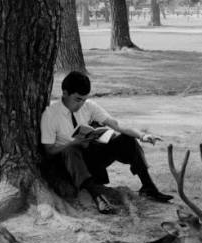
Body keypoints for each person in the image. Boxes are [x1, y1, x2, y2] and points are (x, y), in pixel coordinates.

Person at [41, 71, 173, 214]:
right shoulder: (50, 114)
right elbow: (49, 150)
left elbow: (116, 125)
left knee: (126, 139)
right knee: (71, 151)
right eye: (77, 99)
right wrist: (73, 143)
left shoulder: (88, 106)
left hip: (92, 158)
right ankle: (98, 197)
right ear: (65, 93)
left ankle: (148, 187)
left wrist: (142, 135)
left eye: (84, 100)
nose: (81, 104)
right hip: (71, 165)